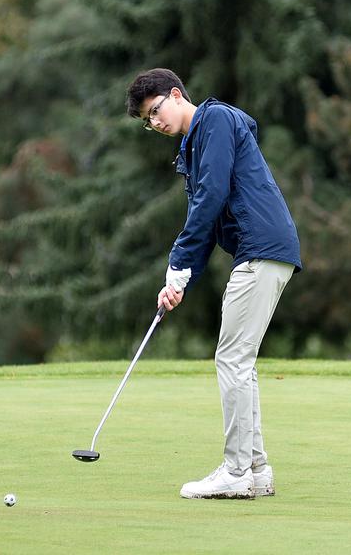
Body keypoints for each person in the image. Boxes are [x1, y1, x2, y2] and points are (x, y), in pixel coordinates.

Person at [125, 68, 302, 499]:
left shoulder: (215, 121)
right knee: (241, 361)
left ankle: (237, 471)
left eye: (155, 111)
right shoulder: (196, 145)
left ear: (175, 94)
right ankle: (256, 470)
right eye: (148, 121)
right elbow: (204, 223)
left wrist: (177, 262)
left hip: (261, 250)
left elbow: (211, 197)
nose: (155, 123)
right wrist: (180, 280)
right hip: (264, 251)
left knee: (232, 361)